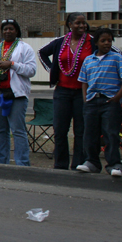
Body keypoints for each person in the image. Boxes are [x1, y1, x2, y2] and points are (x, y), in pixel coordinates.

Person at [38, 13, 96, 170]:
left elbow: (113, 52)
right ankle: (60, 165)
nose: (82, 26)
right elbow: (42, 53)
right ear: (69, 24)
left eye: (84, 23)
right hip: (62, 92)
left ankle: (78, 164)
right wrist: (52, 71)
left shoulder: (92, 41)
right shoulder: (61, 42)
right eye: (78, 23)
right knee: (60, 129)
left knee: (81, 130)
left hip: (82, 93)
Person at [76, 28, 122, 176]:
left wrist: (117, 97)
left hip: (109, 101)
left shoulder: (117, 58)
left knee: (110, 133)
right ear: (96, 43)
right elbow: (84, 81)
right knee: (90, 134)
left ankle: (114, 165)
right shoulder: (88, 60)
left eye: (109, 40)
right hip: (92, 101)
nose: (107, 43)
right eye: (103, 40)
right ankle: (92, 162)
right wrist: (85, 98)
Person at [0, 19, 37, 166]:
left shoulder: (25, 48)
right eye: (5, 29)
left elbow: (31, 70)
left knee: (18, 130)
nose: (8, 31)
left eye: (11, 29)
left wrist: (12, 64)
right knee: (0, 130)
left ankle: (22, 163)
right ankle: (2, 162)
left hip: (16, 94)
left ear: (16, 31)